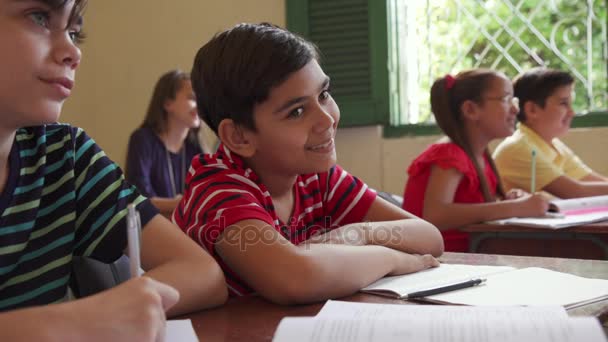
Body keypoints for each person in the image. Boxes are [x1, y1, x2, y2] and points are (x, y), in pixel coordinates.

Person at [0, 0, 227, 340]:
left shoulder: (67, 156)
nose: (73, 52)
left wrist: (114, 310)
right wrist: (72, 323)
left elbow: (204, 273)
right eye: (39, 17)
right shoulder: (144, 140)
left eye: (76, 33)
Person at [173, 23, 444, 305]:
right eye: (297, 111)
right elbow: (296, 278)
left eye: (324, 95)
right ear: (239, 136)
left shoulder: (316, 178)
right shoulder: (219, 191)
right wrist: (393, 259)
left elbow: (429, 238)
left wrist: (354, 234)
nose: (326, 119)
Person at [402, 69, 549, 252]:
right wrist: (513, 208)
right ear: (471, 109)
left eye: (514, 100)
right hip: (441, 264)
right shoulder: (449, 155)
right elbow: (436, 215)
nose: (515, 109)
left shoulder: (481, 157)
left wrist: (508, 202)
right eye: (505, 99)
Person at [493, 68, 608, 198]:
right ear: (532, 110)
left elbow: (595, 181)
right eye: (563, 103)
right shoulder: (518, 147)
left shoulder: (554, 145)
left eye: (571, 103)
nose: (572, 112)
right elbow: (575, 191)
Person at [126, 70, 203, 216]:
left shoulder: (195, 148)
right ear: (168, 103)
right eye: (192, 98)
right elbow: (139, 200)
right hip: (153, 231)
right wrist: (183, 204)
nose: (199, 106)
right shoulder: (142, 140)